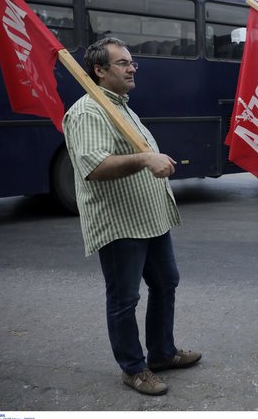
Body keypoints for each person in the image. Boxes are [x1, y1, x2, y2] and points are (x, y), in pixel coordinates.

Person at [63, 37, 201, 396]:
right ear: (99, 70)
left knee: (166, 282)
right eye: (122, 63)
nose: (131, 67)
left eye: (131, 62)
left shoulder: (121, 107)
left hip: (150, 218)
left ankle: (162, 353)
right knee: (124, 299)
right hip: (120, 223)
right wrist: (144, 159)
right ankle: (134, 368)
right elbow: (93, 166)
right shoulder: (88, 111)